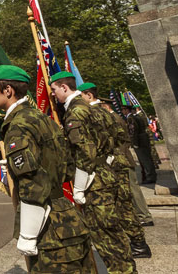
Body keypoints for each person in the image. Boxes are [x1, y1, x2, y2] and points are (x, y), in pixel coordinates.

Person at [0, 65, 94, 273]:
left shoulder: (18, 125)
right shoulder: (43, 118)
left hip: (48, 229)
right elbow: (68, 167)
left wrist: (28, 234)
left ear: (8, 90)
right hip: (67, 214)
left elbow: (33, 184)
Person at [50, 72, 136, 273]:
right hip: (104, 174)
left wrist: (79, 187)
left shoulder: (76, 112)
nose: (53, 94)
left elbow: (85, 151)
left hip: (93, 182)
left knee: (105, 235)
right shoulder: (90, 108)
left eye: (54, 90)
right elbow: (111, 138)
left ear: (64, 87)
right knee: (113, 232)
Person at [79, 83, 151, 258]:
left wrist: (110, 156)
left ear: (88, 95)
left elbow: (120, 139)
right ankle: (137, 242)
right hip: (116, 161)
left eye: (80, 96)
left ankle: (138, 243)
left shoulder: (100, 115)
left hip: (116, 163)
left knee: (124, 205)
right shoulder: (108, 115)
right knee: (124, 205)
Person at [124, 101, 157, 184]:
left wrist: (134, 143)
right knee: (147, 158)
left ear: (126, 110)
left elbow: (133, 131)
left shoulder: (131, 118)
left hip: (139, 140)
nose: (122, 111)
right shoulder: (136, 117)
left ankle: (150, 176)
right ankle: (151, 175)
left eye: (123, 110)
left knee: (144, 159)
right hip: (143, 139)